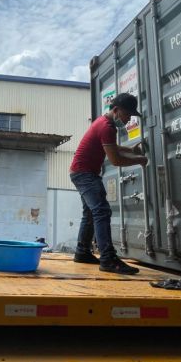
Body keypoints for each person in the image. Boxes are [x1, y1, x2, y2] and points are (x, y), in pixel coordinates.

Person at [69, 92, 147, 274]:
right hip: (84, 173)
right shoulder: (107, 127)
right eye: (127, 115)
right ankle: (108, 259)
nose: (128, 120)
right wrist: (139, 160)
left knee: (90, 212)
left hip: (81, 172)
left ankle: (82, 252)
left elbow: (112, 147)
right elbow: (116, 160)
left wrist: (131, 150)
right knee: (101, 211)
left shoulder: (104, 123)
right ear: (116, 110)